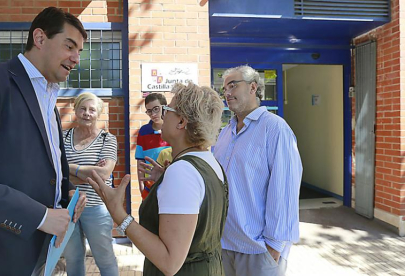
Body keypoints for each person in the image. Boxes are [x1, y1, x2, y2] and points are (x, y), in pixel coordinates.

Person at [88, 83, 229, 275]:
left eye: (167, 110)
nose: (162, 116)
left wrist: (118, 213)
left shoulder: (182, 172)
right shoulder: (209, 161)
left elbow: (169, 262)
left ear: (181, 122)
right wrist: (166, 180)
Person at [0, 7, 87, 276]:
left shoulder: (50, 101)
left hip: (40, 255)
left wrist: (64, 196)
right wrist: (42, 217)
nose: (76, 58)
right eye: (70, 46)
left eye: (79, 51)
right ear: (40, 38)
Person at [213, 65, 303, 276]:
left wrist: (273, 243)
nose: (227, 93)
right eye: (224, 88)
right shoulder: (225, 132)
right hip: (224, 244)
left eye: (233, 86)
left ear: (253, 87)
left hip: (258, 249)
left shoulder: (275, 128)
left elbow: (285, 188)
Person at [63, 92, 119, 276]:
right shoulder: (62, 138)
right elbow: (55, 172)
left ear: (98, 113)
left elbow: (103, 174)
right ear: (76, 110)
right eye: (83, 108)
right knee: (73, 258)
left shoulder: (107, 139)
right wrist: (89, 171)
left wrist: (68, 167)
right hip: (68, 207)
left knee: (104, 258)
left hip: (96, 207)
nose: (87, 113)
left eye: (92, 110)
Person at [136, 93, 170, 199]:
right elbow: (140, 161)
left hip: (170, 183)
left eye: (156, 109)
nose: (153, 114)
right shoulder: (143, 131)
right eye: (149, 111)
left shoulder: (174, 129)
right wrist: (141, 186)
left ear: (164, 107)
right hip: (150, 187)